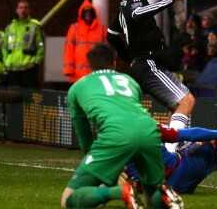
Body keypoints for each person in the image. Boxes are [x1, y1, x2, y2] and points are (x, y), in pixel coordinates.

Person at [60, 44, 181, 209]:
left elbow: (84, 135)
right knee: (151, 191)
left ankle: (119, 192)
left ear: (89, 65)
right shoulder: (130, 82)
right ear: (114, 62)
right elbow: (131, 118)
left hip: (116, 135)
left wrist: (99, 169)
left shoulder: (77, 88)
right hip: (149, 131)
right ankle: (164, 191)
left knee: (68, 200)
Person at [107, 0, 195, 152]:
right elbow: (138, 13)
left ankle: (171, 148)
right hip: (147, 64)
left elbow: (111, 34)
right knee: (187, 101)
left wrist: (128, 57)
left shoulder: (125, 4)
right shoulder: (133, 2)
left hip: (143, 64)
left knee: (177, 108)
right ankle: (170, 153)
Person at [2, 0, 44, 88]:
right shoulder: (10, 27)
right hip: (12, 68)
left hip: (28, 68)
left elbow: (41, 46)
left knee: (29, 96)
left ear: (29, 10)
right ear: (16, 10)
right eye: (20, 7)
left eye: (25, 7)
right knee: (13, 97)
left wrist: (35, 62)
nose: (23, 10)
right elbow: (4, 46)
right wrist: (6, 61)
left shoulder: (34, 27)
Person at [63, 0, 107, 82]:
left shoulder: (101, 29)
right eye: (85, 12)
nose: (88, 14)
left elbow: (107, 51)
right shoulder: (74, 28)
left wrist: (107, 69)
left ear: (93, 13)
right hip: (78, 74)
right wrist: (68, 70)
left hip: (96, 73)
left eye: (90, 12)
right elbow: (68, 50)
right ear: (81, 14)